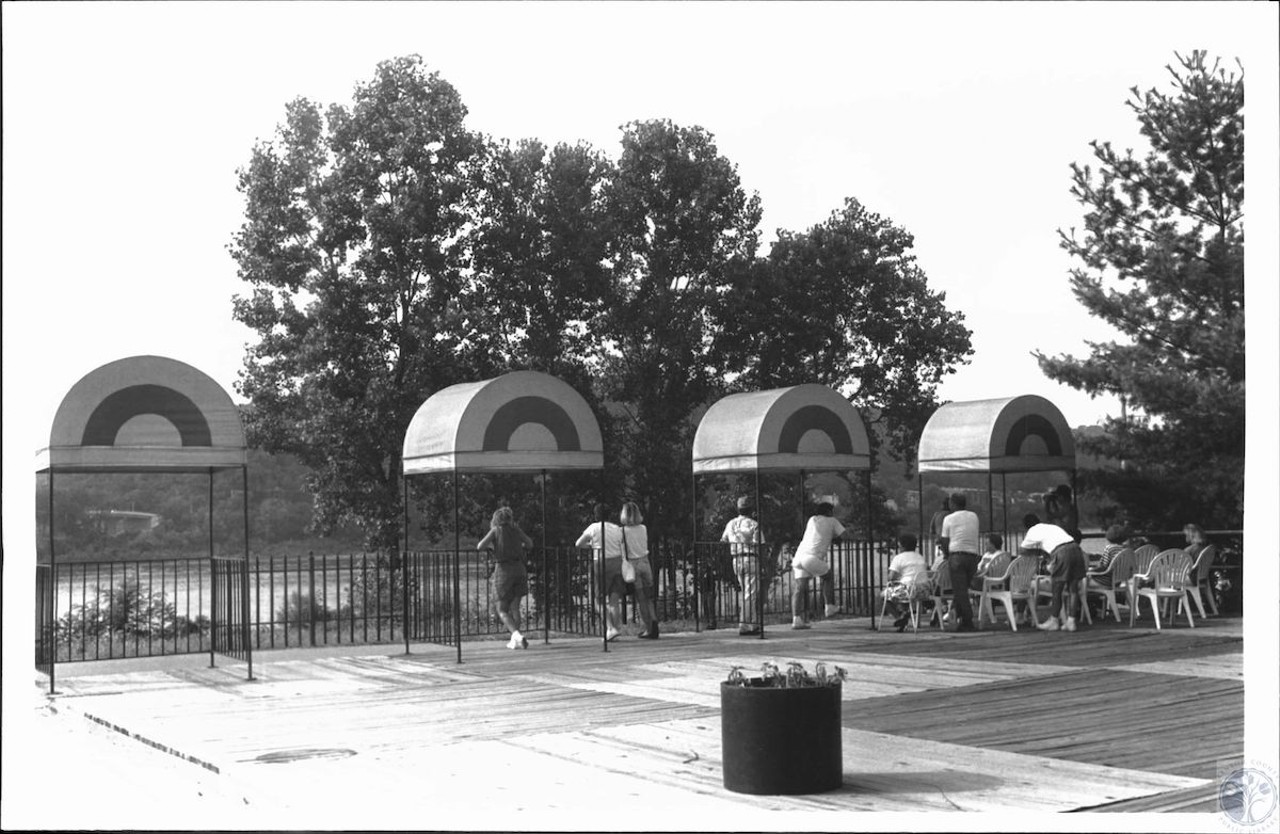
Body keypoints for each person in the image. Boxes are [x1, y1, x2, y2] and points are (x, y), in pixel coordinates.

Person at [790, 495, 855, 629]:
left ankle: (796, 619)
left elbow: (819, 534)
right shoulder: (832, 521)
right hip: (812, 558)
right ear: (829, 512)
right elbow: (845, 536)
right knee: (828, 576)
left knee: (799, 589)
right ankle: (829, 606)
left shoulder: (812, 520)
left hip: (799, 557)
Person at [476, 506, 534, 649]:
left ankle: (516, 634)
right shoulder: (516, 530)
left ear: (496, 519)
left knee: (501, 609)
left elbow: (480, 546)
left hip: (503, 570)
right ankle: (515, 640)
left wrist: (492, 548)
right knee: (515, 607)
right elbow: (530, 543)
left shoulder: (496, 531)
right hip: (519, 568)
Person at [1020, 512, 1088, 632]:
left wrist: (1039, 553)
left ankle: (1054, 620)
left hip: (1061, 552)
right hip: (1076, 549)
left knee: (1057, 589)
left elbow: (1023, 550)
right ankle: (1071, 621)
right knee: (1073, 589)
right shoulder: (1051, 527)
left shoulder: (1032, 531)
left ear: (1026, 526)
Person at [575, 503, 626, 641]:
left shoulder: (593, 527)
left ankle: (610, 627)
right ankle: (617, 628)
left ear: (596, 515)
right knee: (614, 600)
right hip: (617, 562)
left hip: (601, 562)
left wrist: (591, 546)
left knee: (599, 600)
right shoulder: (617, 529)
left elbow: (578, 543)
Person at [937, 492, 981, 632]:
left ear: (953, 504)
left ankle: (968, 620)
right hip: (973, 556)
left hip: (956, 555)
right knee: (964, 589)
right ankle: (958, 617)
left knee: (960, 590)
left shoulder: (948, 519)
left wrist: (947, 554)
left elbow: (944, 540)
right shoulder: (974, 516)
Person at [721, 495, 764, 636]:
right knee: (750, 594)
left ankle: (751, 623)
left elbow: (723, 540)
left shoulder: (731, 524)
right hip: (750, 558)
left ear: (738, 509)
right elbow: (759, 543)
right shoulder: (754, 524)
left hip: (736, 559)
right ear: (751, 509)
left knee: (745, 592)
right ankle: (746, 625)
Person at [619, 501, 660, 640]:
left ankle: (648, 628)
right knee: (649, 597)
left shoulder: (623, 531)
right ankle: (654, 623)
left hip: (633, 564)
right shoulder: (643, 528)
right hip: (645, 561)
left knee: (640, 598)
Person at [881, 533, 930, 632]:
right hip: (924, 590)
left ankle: (899, 617)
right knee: (903, 592)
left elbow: (891, 578)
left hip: (908, 589)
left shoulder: (899, 558)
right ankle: (904, 615)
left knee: (884, 596)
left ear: (901, 545)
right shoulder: (920, 557)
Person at [928, 497, 951, 561]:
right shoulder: (953, 515)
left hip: (939, 545)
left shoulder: (937, 515)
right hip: (952, 546)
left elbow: (932, 531)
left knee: (939, 566)